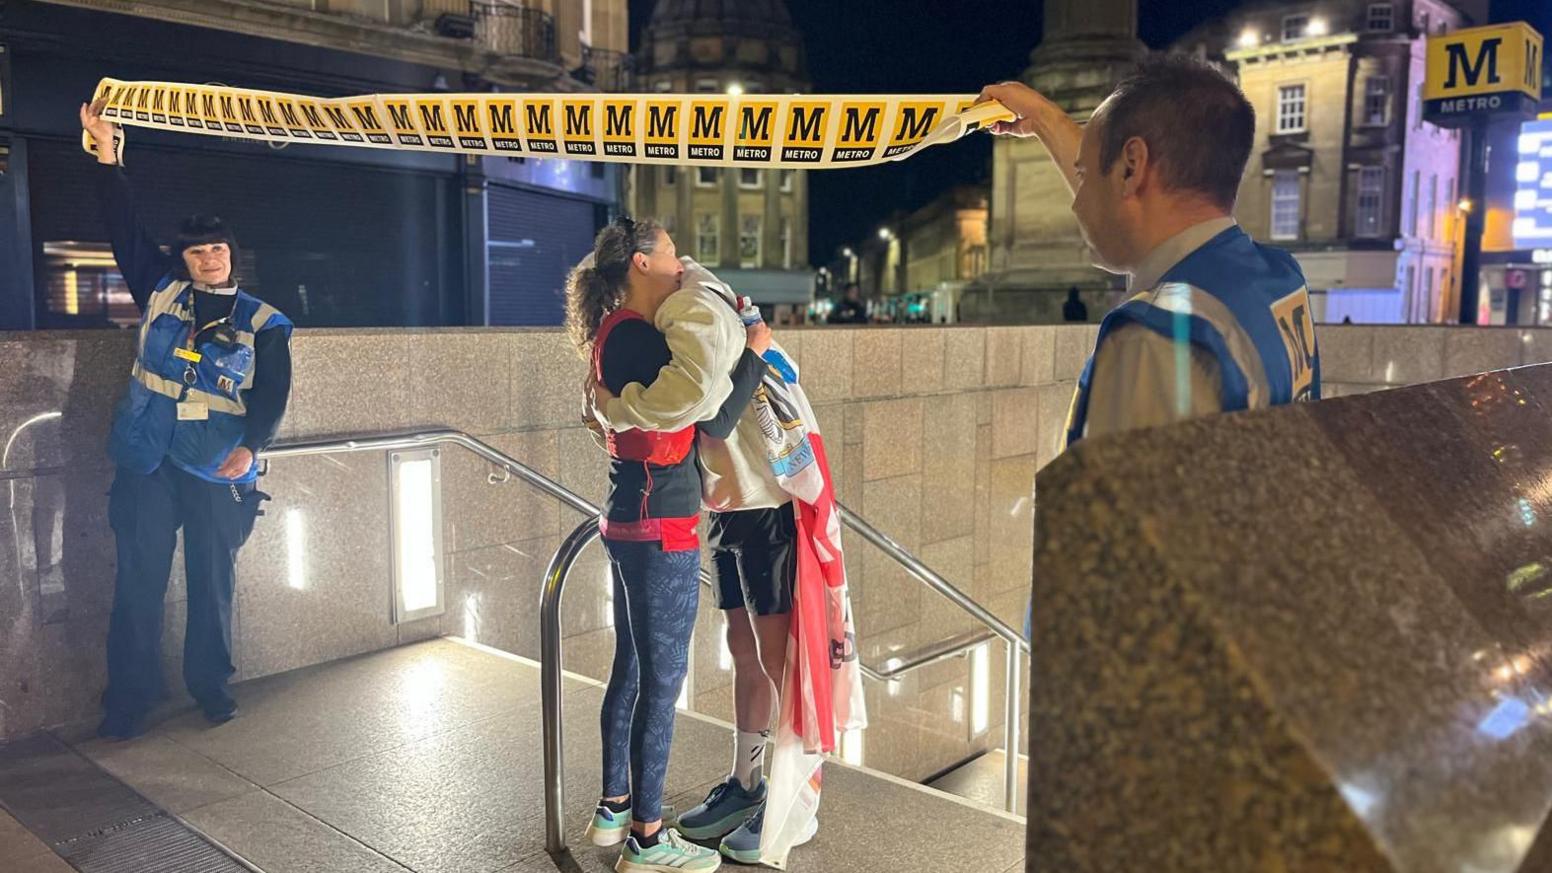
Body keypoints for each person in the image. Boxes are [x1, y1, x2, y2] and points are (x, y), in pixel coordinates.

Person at [591, 262, 820, 864]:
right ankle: (748, 785)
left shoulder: (717, 324)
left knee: (779, 660)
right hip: (724, 509)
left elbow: (714, 413)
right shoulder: (689, 327)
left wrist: (616, 405)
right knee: (743, 653)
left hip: (769, 506)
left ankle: (798, 799)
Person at [81, 96, 294, 740]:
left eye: (218, 248)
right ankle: (130, 698)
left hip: (214, 463)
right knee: (138, 583)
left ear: (233, 255)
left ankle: (212, 686)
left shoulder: (264, 322)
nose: (209, 257)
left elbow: (273, 394)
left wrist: (252, 449)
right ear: (185, 261)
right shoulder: (161, 291)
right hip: (146, 454)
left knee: (212, 582)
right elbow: (122, 225)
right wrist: (107, 154)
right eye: (198, 250)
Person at [980, 54, 1320, 445]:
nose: (1077, 202)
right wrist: (1044, 120)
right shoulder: (1280, 280)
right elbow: (1121, 198)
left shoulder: (1154, 340)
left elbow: (1113, 507)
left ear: (1132, 167)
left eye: (1086, 176)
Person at [571, 217, 770, 873]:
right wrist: (755, 352)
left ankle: (614, 808)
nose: (682, 263)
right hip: (663, 523)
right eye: (671, 252)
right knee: (660, 685)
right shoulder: (633, 336)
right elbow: (710, 413)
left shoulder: (620, 335)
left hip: (632, 516)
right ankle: (648, 839)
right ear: (640, 261)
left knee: (630, 668)